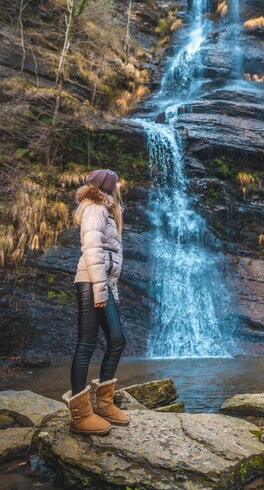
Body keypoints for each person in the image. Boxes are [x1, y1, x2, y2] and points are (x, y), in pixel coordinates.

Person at [61, 169, 130, 434]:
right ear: (108, 187)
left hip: (102, 283)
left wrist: (109, 287)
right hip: (91, 282)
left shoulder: (105, 208)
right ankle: (80, 415)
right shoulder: (94, 207)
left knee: (117, 339)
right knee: (87, 344)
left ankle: (104, 403)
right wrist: (102, 290)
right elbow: (92, 250)